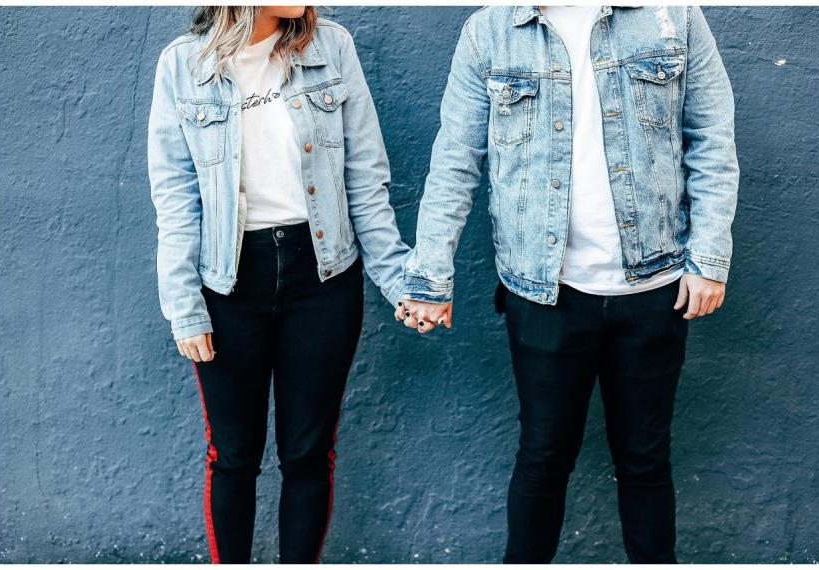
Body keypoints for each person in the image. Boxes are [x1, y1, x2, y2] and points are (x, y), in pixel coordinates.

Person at [396, 5, 739, 563]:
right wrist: (431, 275)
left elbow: (712, 138)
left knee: (646, 460)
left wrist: (708, 259)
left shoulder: (672, 14)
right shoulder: (491, 29)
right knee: (543, 455)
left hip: (657, 284)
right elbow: (456, 157)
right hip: (543, 290)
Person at [147, 6, 409, 563]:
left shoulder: (332, 48)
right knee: (233, 455)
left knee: (309, 454)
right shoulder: (181, 66)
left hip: (323, 276)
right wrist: (184, 307)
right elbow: (175, 198)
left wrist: (398, 281)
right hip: (229, 282)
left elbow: (365, 176)